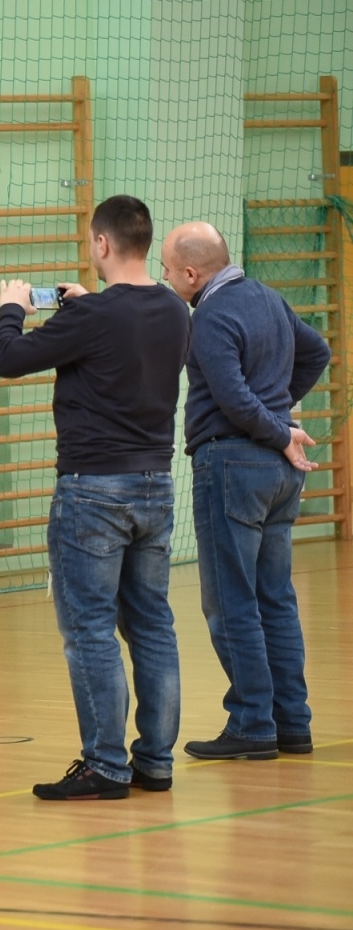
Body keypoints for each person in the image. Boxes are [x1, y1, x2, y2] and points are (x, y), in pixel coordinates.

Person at [0, 195, 191, 801]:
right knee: (152, 624)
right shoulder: (175, 310)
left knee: (90, 631)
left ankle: (105, 764)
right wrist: (86, 308)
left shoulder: (94, 318)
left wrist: (11, 309)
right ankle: (153, 761)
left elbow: (8, 359)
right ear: (145, 242)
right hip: (155, 485)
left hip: (92, 490)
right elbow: (120, 340)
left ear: (101, 245)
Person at [161, 222, 331, 761]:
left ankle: (253, 723)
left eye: (166, 270)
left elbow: (233, 399)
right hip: (279, 472)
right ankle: (292, 724)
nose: (164, 279)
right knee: (275, 600)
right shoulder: (269, 298)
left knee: (231, 603)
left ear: (191, 273)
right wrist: (278, 412)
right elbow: (317, 352)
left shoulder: (208, 316)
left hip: (232, 462)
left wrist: (274, 425)